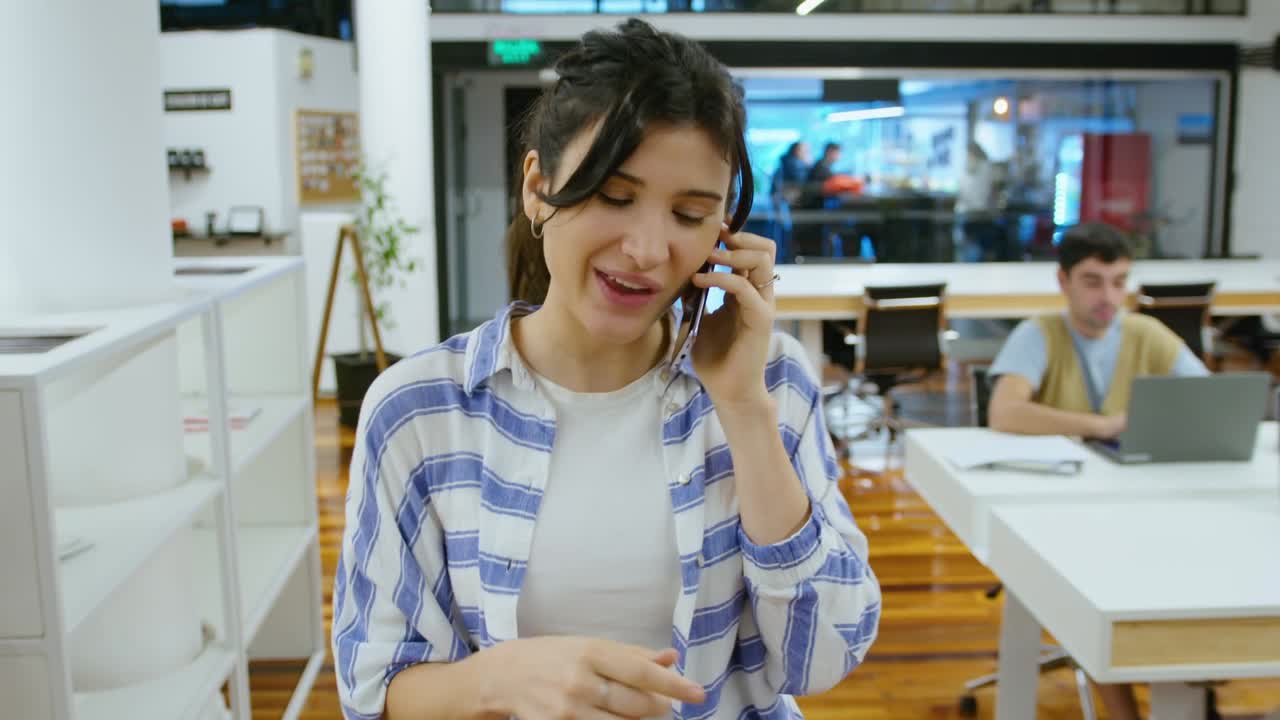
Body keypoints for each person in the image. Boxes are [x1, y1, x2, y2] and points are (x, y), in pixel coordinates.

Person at [333, 19, 881, 720]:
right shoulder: (419, 409)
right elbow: (373, 688)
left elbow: (824, 658)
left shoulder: (768, 379)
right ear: (538, 187)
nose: (648, 249)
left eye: (689, 214)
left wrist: (743, 408)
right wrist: (498, 681)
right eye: (614, 197)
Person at [987, 221, 1207, 720]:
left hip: (1142, 507)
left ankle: (1187, 684)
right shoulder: (1038, 334)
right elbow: (1005, 412)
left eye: (1119, 281)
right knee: (1105, 591)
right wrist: (1102, 424)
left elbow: (1205, 400)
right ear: (1063, 282)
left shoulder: (1145, 332)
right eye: (1092, 281)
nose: (1108, 296)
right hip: (1059, 514)